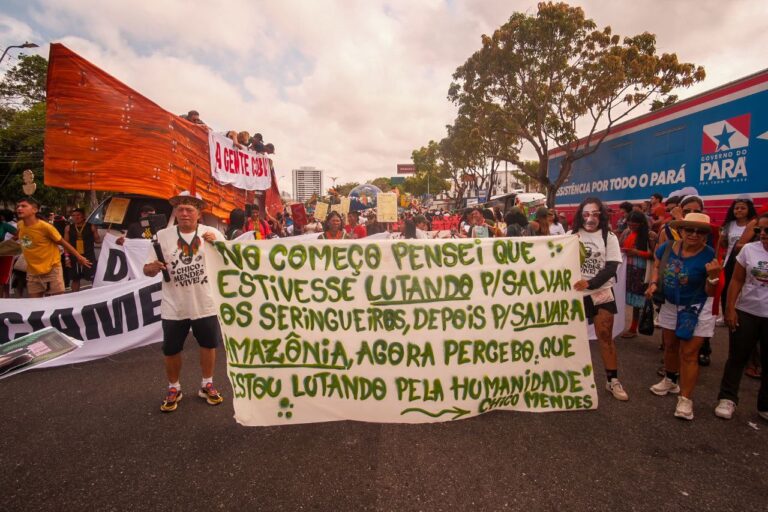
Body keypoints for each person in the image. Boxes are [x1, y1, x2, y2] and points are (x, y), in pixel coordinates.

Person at [143, 191, 225, 413]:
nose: (184, 213)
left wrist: (218, 245)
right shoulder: (162, 236)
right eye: (180, 209)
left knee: (208, 344)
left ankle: (207, 383)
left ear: (199, 213)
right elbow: (147, 268)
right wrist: (151, 268)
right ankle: (174, 387)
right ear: (175, 213)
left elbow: (228, 262)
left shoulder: (212, 233)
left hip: (205, 302)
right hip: (174, 304)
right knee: (171, 349)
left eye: (190, 209)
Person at [646, 212, 721, 420]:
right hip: (670, 304)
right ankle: (670, 381)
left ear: (706, 235)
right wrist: (653, 283)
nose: (694, 234)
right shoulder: (667, 247)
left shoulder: (709, 256)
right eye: (690, 230)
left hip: (697, 307)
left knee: (689, 353)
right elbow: (657, 264)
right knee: (670, 345)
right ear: (681, 231)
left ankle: (686, 399)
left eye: (700, 231)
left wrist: (714, 278)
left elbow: (711, 292)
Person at [571, 197, 627, 401]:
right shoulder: (572, 235)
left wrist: (591, 283)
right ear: (580, 215)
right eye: (586, 213)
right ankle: (571, 380)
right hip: (575, 294)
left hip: (600, 292)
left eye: (595, 214)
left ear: (601, 216)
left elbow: (612, 267)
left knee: (604, 335)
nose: (590, 218)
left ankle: (612, 380)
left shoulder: (609, 237)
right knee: (570, 337)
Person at [714, 212, 768, 421]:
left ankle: (764, 405)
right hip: (747, 311)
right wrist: (730, 308)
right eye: (758, 230)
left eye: (766, 230)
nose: (762, 234)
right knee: (737, 357)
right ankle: (727, 398)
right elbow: (736, 280)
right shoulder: (749, 249)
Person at [14, 197, 91, 298]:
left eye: (23, 206)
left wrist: (80, 258)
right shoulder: (20, 225)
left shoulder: (46, 227)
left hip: (52, 270)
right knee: (35, 306)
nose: (19, 208)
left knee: (56, 304)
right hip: (33, 272)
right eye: (18, 206)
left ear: (35, 210)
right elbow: (21, 240)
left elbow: (64, 243)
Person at [619, 211, 653, 338]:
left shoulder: (650, 235)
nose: (631, 224)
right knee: (624, 296)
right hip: (627, 268)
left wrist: (637, 252)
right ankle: (620, 325)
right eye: (629, 222)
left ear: (641, 223)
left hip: (641, 270)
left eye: (634, 222)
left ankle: (633, 328)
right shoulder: (627, 232)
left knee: (637, 301)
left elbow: (654, 255)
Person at [64, 208, 100, 292]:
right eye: (73, 215)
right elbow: (66, 244)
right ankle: (75, 299)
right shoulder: (68, 228)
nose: (76, 217)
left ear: (83, 216)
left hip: (88, 256)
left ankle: (94, 298)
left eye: (78, 215)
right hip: (74, 257)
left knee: (93, 278)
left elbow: (98, 241)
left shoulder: (91, 226)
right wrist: (67, 258)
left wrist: (96, 231)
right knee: (75, 279)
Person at [0, 211, 18, 298]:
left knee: (2, 279)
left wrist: (8, 243)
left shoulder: (4, 225)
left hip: (3, 253)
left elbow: (20, 234)